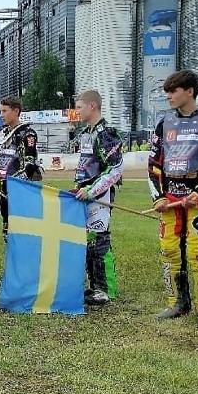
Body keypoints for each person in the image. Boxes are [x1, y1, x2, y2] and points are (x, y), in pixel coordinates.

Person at [148, 69, 198, 326]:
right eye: (167, 92)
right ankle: (177, 303)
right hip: (171, 201)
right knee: (170, 251)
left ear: (190, 91)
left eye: (173, 91)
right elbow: (154, 164)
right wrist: (158, 197)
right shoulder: (164, 122)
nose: (169, 96)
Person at [71, 90, 124, 305]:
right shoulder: (86, 132)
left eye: (79, 106)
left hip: (99, 197)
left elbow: (115, 169)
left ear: (92, 106)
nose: (77, 111)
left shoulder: (106, 133)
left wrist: (92, 191)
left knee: (100, 241)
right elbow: (86, 165)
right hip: (84, 195)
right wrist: (79, 187)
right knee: (89, 242)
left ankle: (106, 289)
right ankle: (94, 286)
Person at [0, 96, 42, 242]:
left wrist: (10, 183)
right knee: (8, 234)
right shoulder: (3, 134)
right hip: (5, 191)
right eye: (0, 111)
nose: (1, 115)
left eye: (4, 111)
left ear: (16, 111)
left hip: (21, 191)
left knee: (23, 236)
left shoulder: (27, 134)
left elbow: (29, 166)